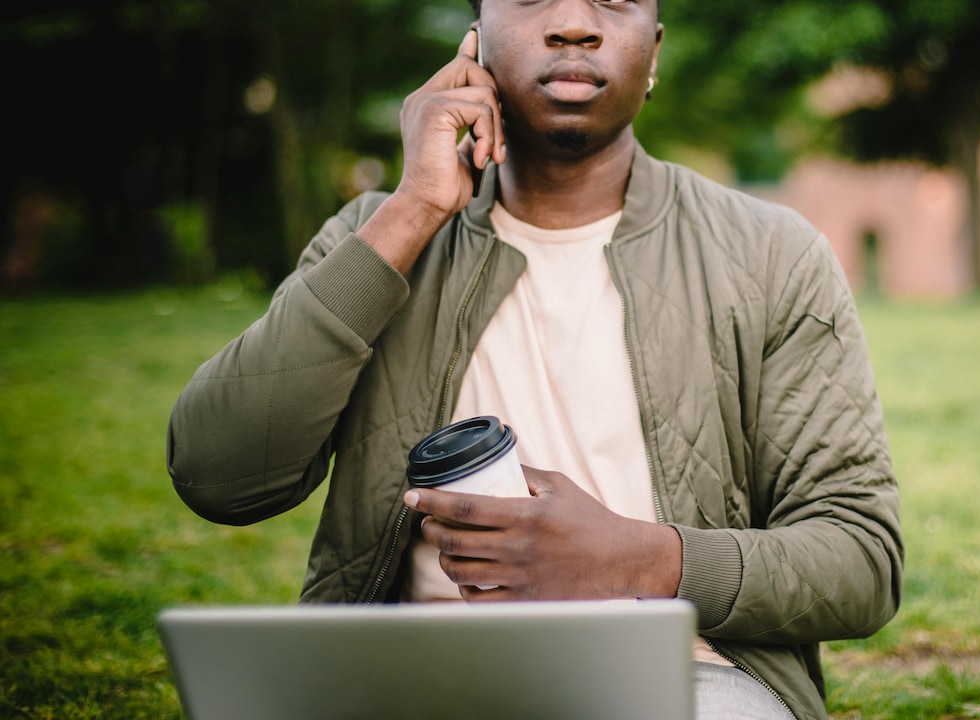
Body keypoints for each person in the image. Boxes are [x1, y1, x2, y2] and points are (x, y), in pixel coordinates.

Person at [167, 1, 903, 717]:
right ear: (475, 41)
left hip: (687, 683)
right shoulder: (378, 236)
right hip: (410, 680)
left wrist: (640, 560)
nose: (574, 21)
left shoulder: (770, 253)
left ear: (655, 51)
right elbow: (219, 476)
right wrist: (415, 209)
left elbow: (859, 560)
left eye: (612, 0)